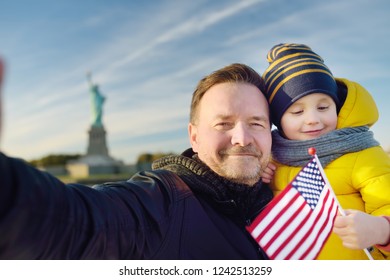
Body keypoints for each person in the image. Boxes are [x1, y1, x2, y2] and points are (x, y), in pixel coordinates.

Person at [0, 60, 274, 259]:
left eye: (257, 123)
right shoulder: (159, 206)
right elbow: (70, 225)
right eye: (223, 124)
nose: (242, 137)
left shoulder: (283, 196)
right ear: (194, 137)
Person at [261, 43, 390, 259]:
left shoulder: (362, 154)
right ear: (278, 120)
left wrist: (380, 230)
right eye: (297, 111)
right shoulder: (272, 159)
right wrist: (260, 181)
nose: (312, 119)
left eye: (323, 107)